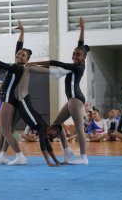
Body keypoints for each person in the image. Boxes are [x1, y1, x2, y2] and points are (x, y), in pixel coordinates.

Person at [0, 21, 62, 166]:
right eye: (19, 54)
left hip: (8, 100)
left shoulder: (18, 68)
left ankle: (20, 156)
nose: (19, 56)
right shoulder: (17, 64)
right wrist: (22, 32)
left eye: (23, 56)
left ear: (27, 60)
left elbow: (0, 63)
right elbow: (18, 47)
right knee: (5, 131)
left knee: (6, 131)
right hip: (7, 100)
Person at [29, 17, 89, 165]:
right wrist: (82, 29)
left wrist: (35, 63)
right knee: (57, 123)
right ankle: (67, 151)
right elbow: (80, 45)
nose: (75, 55)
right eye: (74, 53)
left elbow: (55, 63)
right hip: (72, 99)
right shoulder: (78, 60)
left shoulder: (77, 66)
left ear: (84, 57)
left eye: (78, 55)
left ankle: (84, 157)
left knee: (79, 128)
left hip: (76, 99)